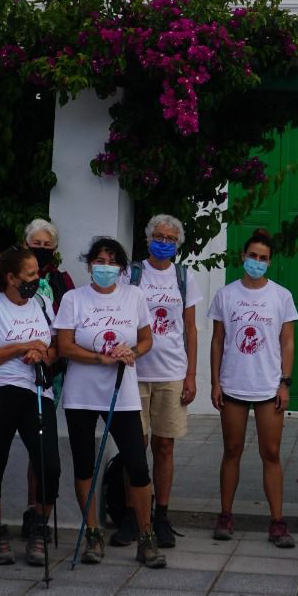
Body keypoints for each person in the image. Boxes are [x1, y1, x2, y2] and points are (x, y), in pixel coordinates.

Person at [53, 236, 165, 568]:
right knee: (85, 463)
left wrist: (132, 352)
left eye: (112, 262)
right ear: (89, 266)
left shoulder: (134, 296)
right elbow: (64, 346)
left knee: (137, 463)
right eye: (99, 262)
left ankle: (146, 536)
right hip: (82, 394)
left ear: (121, 268)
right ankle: (93, 533)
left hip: (123, 392)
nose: (105, 268)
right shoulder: (74, 299)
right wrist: (97, 358)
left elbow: (146, 338)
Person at [0, 218, 76, 548]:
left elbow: (58, 347)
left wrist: (44, 354)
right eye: (30, 276)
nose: (36, 279)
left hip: (36, 391)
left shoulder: (43, 305)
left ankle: (38, 523)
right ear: (11, 278)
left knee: (49, 463)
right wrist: (19, 348)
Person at [208, 228, 298, 547]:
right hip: (233, 384)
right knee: (232, 450)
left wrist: (284, 383)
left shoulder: (281, 296)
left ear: (270, 261)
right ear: (242, 257)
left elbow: (287, 342)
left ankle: (277, 521)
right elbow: (217, 341)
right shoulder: (226, 294)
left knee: (271, 453)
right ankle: (225, 515)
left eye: (263, 258)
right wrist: (215, 382)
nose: (257, 262)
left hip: (268, 386)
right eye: (252, 256)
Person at [126, 214, 202, 548]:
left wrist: (191, 375)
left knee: (165, 446)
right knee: (136, 447)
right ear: (147, 238)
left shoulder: (183, 277)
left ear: (178, 243)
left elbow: (190, 329)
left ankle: (162, 516)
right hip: (136, 372)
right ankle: (133, 516)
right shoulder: (133, 274)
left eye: (170, 238)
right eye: (158, 236)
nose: (164, 242)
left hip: (171, 371)